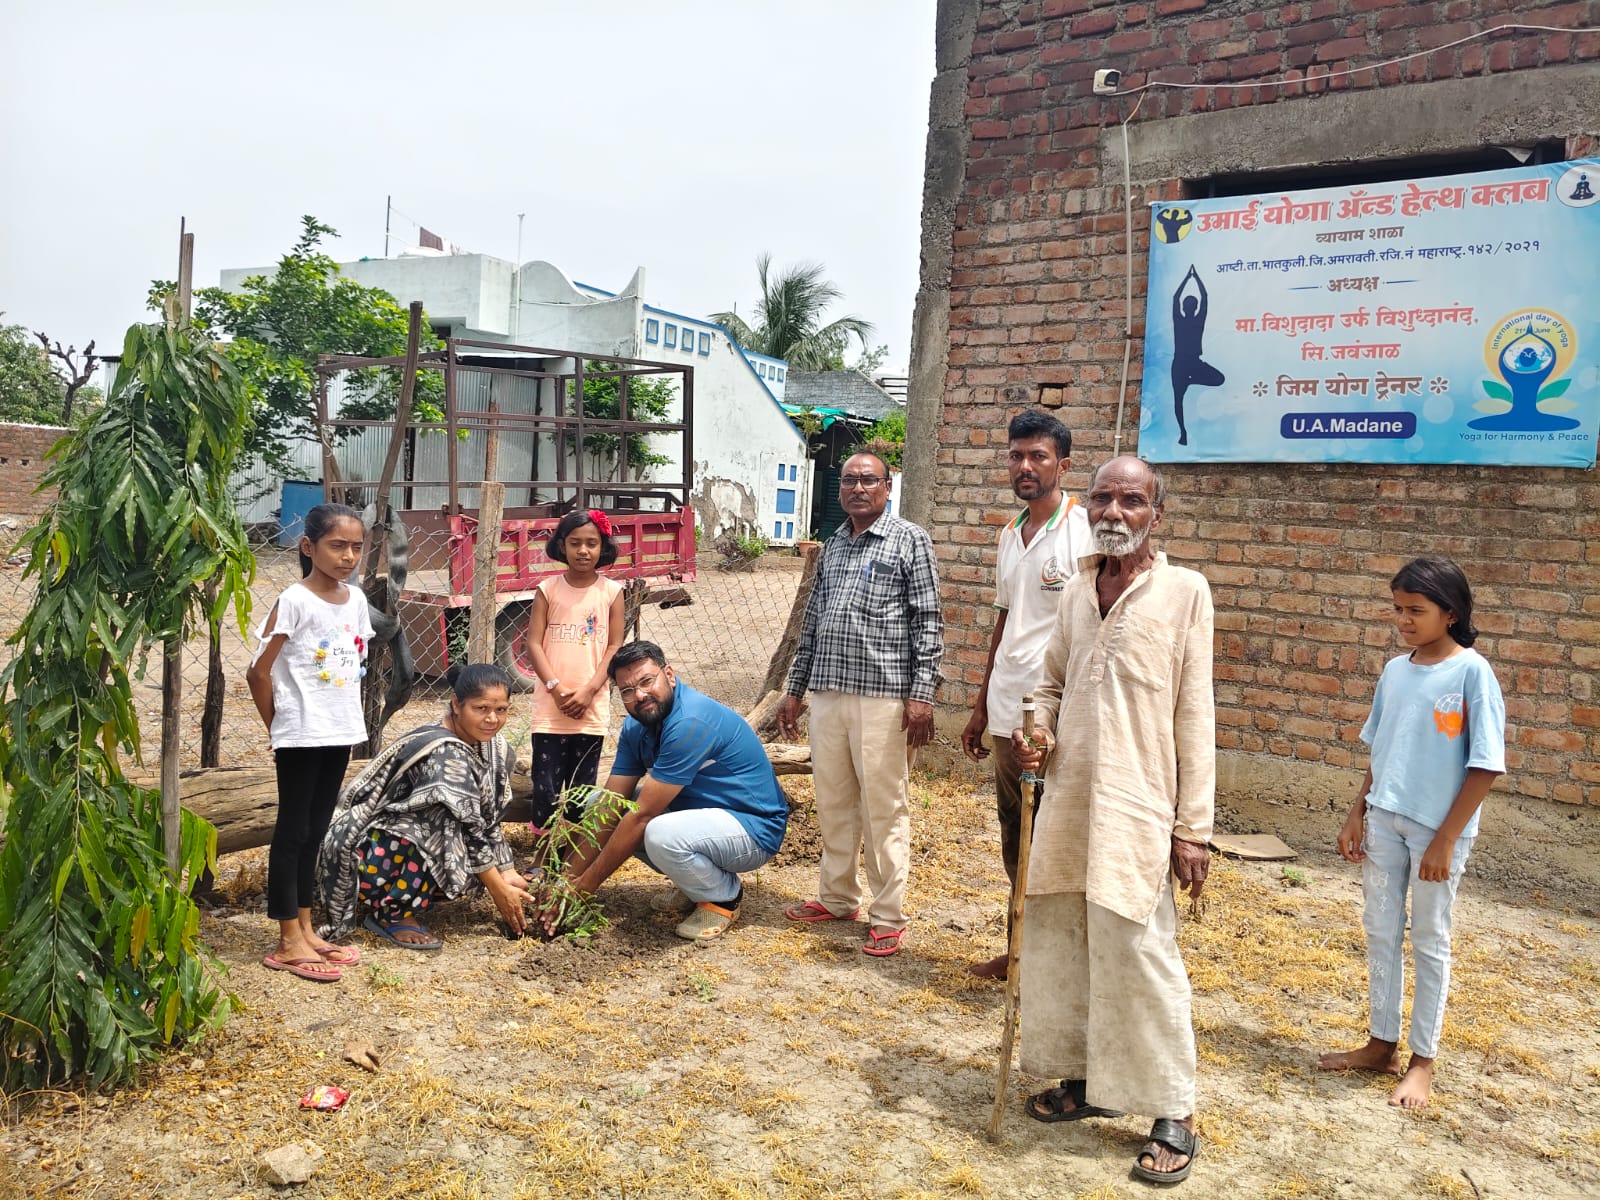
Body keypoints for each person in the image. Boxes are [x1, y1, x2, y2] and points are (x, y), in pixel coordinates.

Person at [1011, 456, 1213, 1186]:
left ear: (1157, 513)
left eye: (1132, 500)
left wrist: (1193, 827)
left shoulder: (1185, 592)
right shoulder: (1076, 589)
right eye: (1103, 498)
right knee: (1065, 939)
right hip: (1069, 799)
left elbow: (1196, 713)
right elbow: (1050, 682)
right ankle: (1091, 1081)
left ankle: (1174, 1109)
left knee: (1140, 950)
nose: (1115, 511)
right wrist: (1037, 728)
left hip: (1140, 805)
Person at [1318, 557, 1505, 1109]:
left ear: (1451, 613)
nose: (1403, 620)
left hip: (1436, 832)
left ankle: (1423, 1061)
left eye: (1416, 610)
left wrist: (1446, 839)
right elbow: (1382, 748)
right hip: (1385, 819)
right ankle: (1381, 1044)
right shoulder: (1396, 671)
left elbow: (1486, 765)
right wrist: (1358, 811)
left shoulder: (1472, 674)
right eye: (1397, 609)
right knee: (1380, 930)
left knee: (1429, 938)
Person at [777, 451, 944, 958]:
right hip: (829, 692)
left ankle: (888, 915)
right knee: (833, 801)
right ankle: (837, 897)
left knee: (883, 809)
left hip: (885, 698)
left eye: (868, 480)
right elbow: (813, 621)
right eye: (848, 480)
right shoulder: (834, 544)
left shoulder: (909, 540)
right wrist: (795, 690)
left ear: (888, 487)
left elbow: (929, 620)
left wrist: (922, 695)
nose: (857, 488)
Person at [960, 410, 1093, 980]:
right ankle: (1020, 949)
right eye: (1016, 456)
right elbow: (1005, 620)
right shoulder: (1009, 534)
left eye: (1038, 456)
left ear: (1063, 465)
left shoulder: (1082, 530)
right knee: (1016, 830)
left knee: (1055, 833)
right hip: (1006, 706)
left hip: (1054, 711)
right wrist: (979, 704)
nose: (1025, 466)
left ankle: (1057, 960)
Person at [542, 641, 789, 942]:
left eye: (646, 681)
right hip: (702, 821)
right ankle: (695, 884)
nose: (639, 695)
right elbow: (611, 805)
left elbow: (641, 817)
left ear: (669, 675)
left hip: (753, 829)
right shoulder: (637, 726)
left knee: (657, 832)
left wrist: (582, 889)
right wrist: (565, 884)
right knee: (598, 803)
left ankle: (723, 897)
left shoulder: (689, 721)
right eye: (627, 690)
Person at [318, 663, 535, 950]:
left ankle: (412, 896)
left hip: (391, 851)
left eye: (501, 710)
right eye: (481, 708)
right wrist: (498, 891)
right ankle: (392, 914)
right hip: (366, 854)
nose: (492, 719)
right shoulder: (444, 752)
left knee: (453, 833)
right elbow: (470, 830)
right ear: (456, 705)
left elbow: (488, 818)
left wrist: (507, 871)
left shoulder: (493, 747)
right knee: (437, 821)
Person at [247, 502, 375, 984]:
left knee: (316, 828)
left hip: (339, 730)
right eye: (337, 546)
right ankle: (287, 940)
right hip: (301, 733)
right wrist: (278, 728)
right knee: (293, 830)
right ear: (308, 546)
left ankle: (305, 928)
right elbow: (258, 671)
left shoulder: (355, 599)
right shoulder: (294, 600)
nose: (348, 557)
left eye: (356, 547)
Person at [524, 508, 626, 829]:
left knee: (582, 793)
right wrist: (555, 688)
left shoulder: (611, 593)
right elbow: (533, 644)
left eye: (591, 543)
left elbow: (614, 646)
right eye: (575, 542)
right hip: (550, 709)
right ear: (561, 545)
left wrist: (589, 691)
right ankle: (544, 851)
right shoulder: (548, 590)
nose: (583, 550)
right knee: (546, 791)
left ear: (603, 547)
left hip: (589, 709)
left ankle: (572, 854)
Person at [1170, 265, 1224, 447]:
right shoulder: (1179, 319)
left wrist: (1190, 278)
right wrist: (1192, 278)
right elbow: (1178, 298)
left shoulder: (1198, 320)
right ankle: (1183, 433)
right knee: (1178, 400)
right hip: (1180, 363)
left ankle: (1191, 381)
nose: (1189, 306)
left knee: (1219, 379)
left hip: (1194, 363)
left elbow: (1203, 298)